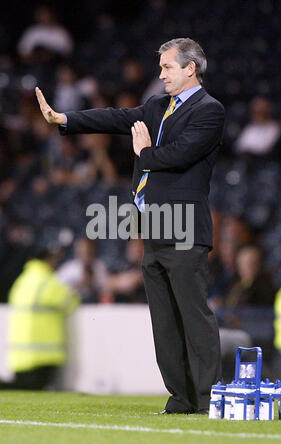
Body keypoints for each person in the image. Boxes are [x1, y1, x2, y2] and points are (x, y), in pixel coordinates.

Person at [35, 37, 225, 414]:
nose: (161, 74)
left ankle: (208, 400)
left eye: (167, 67)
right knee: (164, 322)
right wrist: (66, 119)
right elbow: (116, 117)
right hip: (152, 228)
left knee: (193, 316)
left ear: (190, 69)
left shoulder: (210, 110)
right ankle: (181, 398)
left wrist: (144, 153)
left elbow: (181, 154)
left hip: (185, 229)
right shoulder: (157, 106)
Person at [0, 246, 80, 390]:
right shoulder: (47, 282)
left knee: (19, 389)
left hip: (19, 357)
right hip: (42, 357)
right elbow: (71, 302)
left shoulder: (21, 282)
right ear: (48, 259)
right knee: (25, 391)